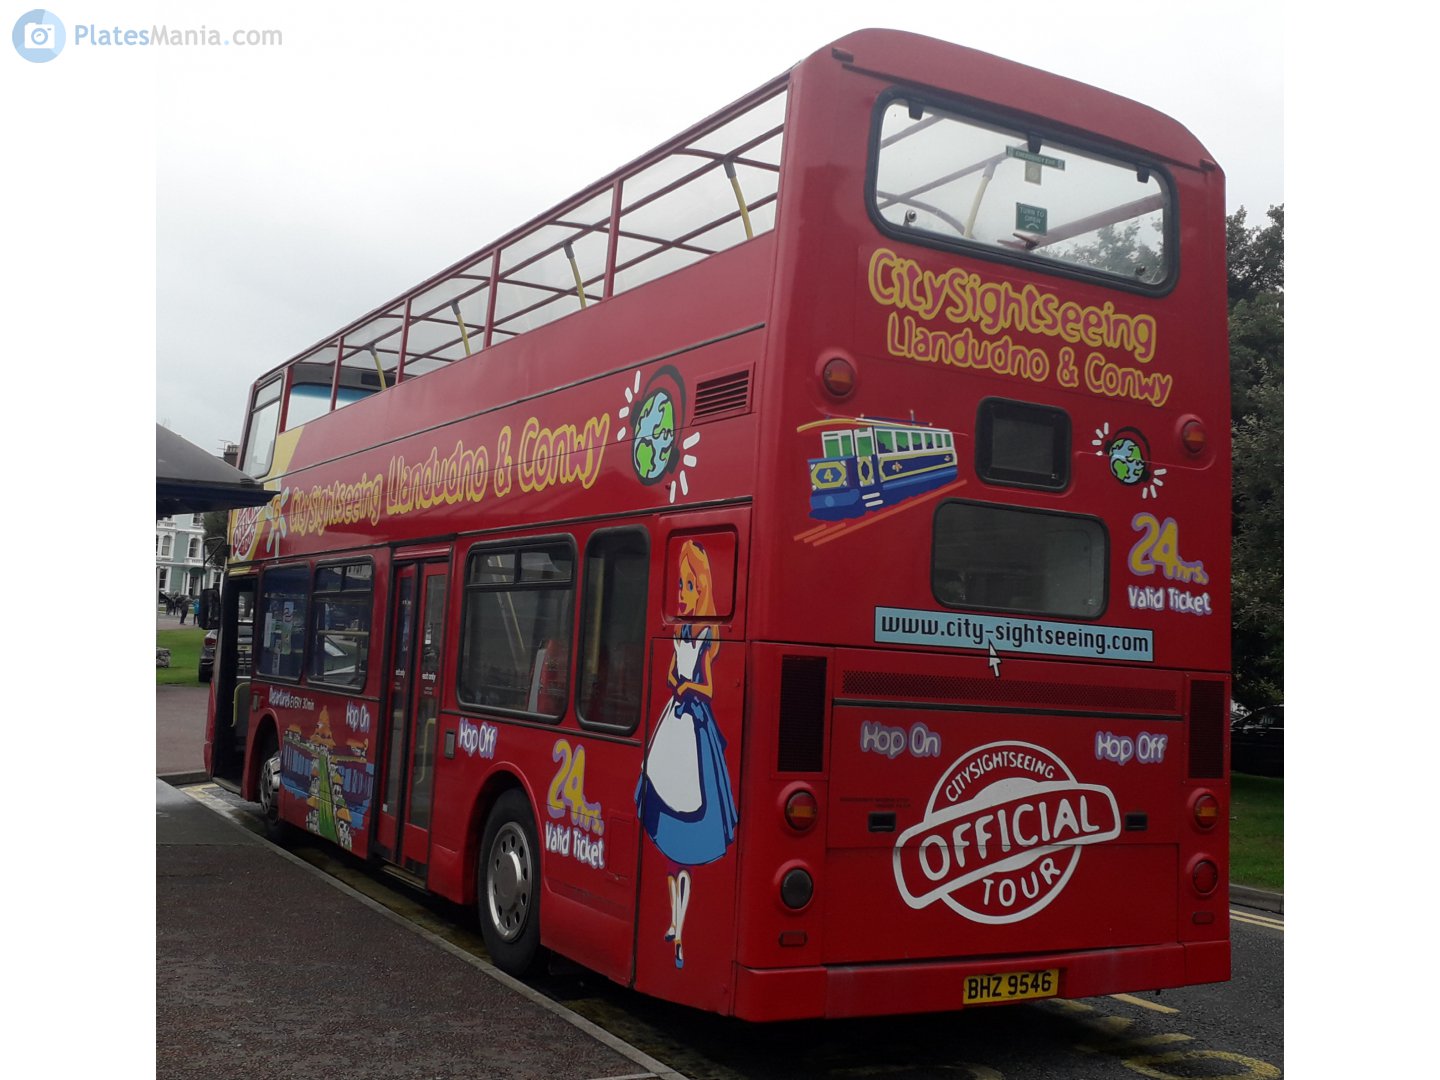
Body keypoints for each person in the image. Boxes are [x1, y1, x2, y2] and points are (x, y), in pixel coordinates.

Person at [635, 539, 737, 969]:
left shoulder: (708, 630)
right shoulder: (679, 628)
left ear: (702, 586)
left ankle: (680, 925)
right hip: (675, 721)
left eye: (687, 584)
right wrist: (677, 679)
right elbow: (668, 670)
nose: (681, 591)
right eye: (679, 583)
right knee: (669, 840)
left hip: (693, 725)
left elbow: (709, 687)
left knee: (689, 826)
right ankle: (676, 924)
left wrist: (686, 687)